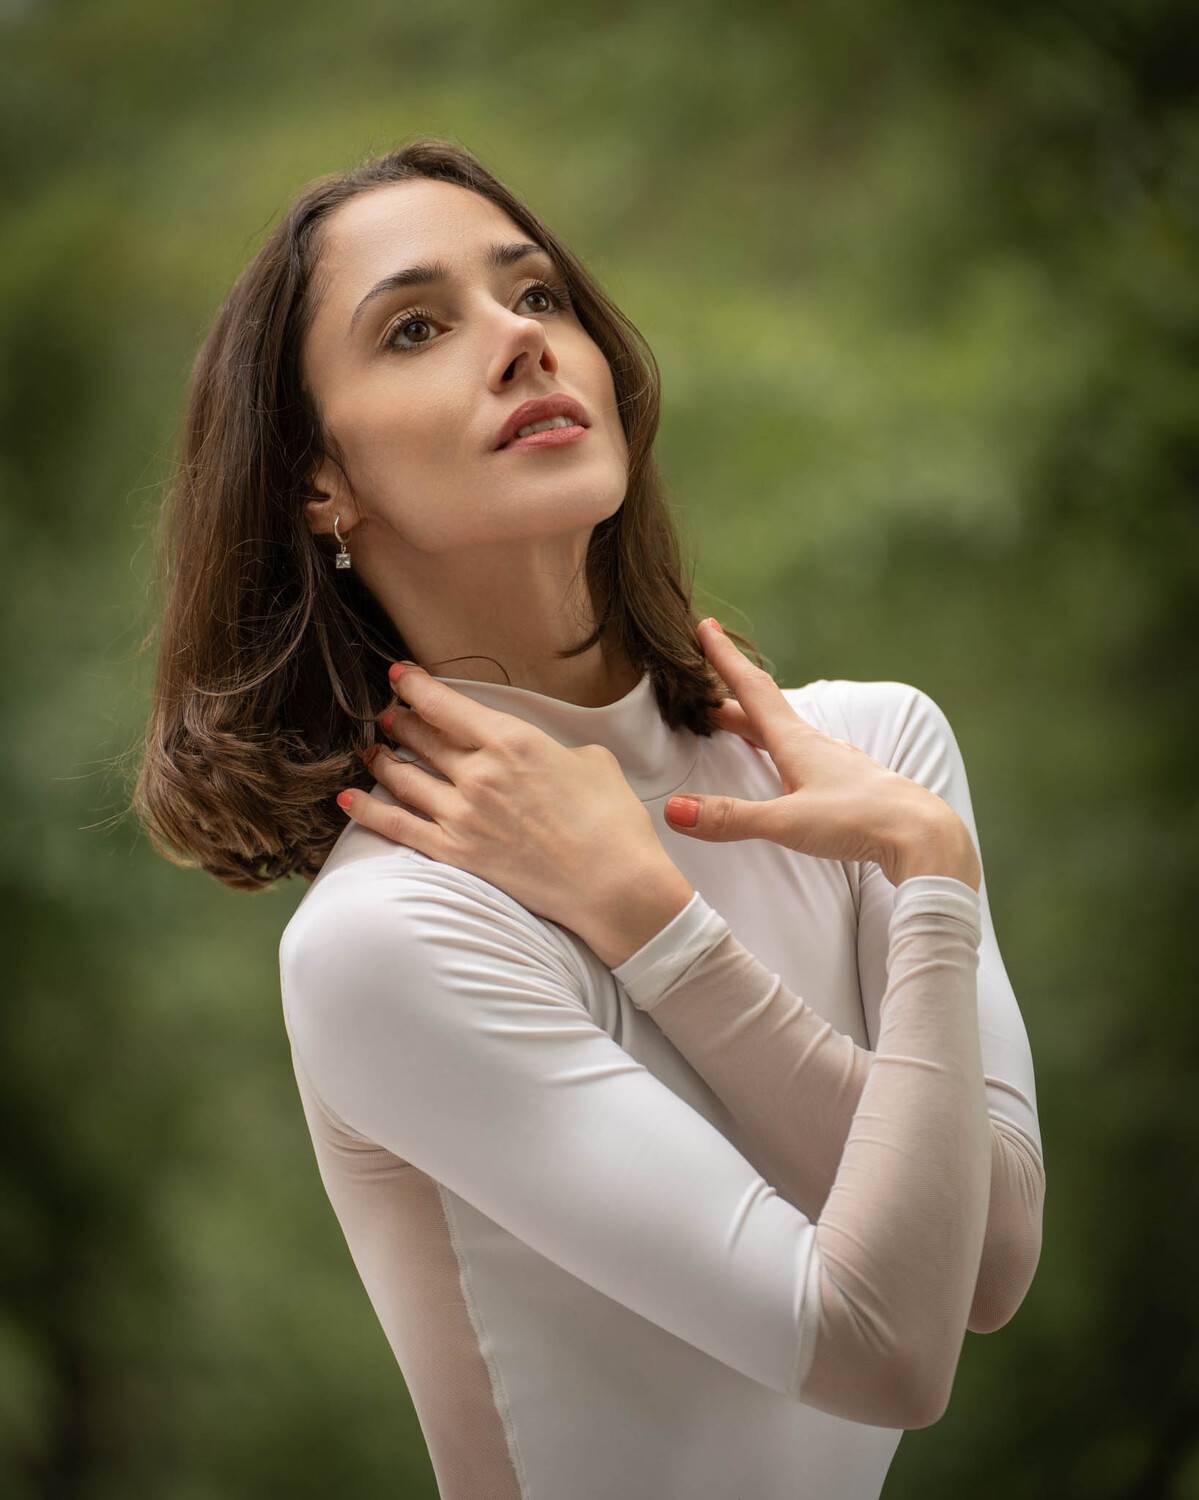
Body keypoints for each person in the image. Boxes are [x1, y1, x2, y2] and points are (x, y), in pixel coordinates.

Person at [132, 136, 1045, 1499]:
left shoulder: (874, 760)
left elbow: (991, 1264)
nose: (519, 340)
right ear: (320, 482)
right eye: (417, 327)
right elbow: (881, 1348)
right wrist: (665, 934)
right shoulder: (389, 934)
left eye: (537, 295)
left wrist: (926, 865)